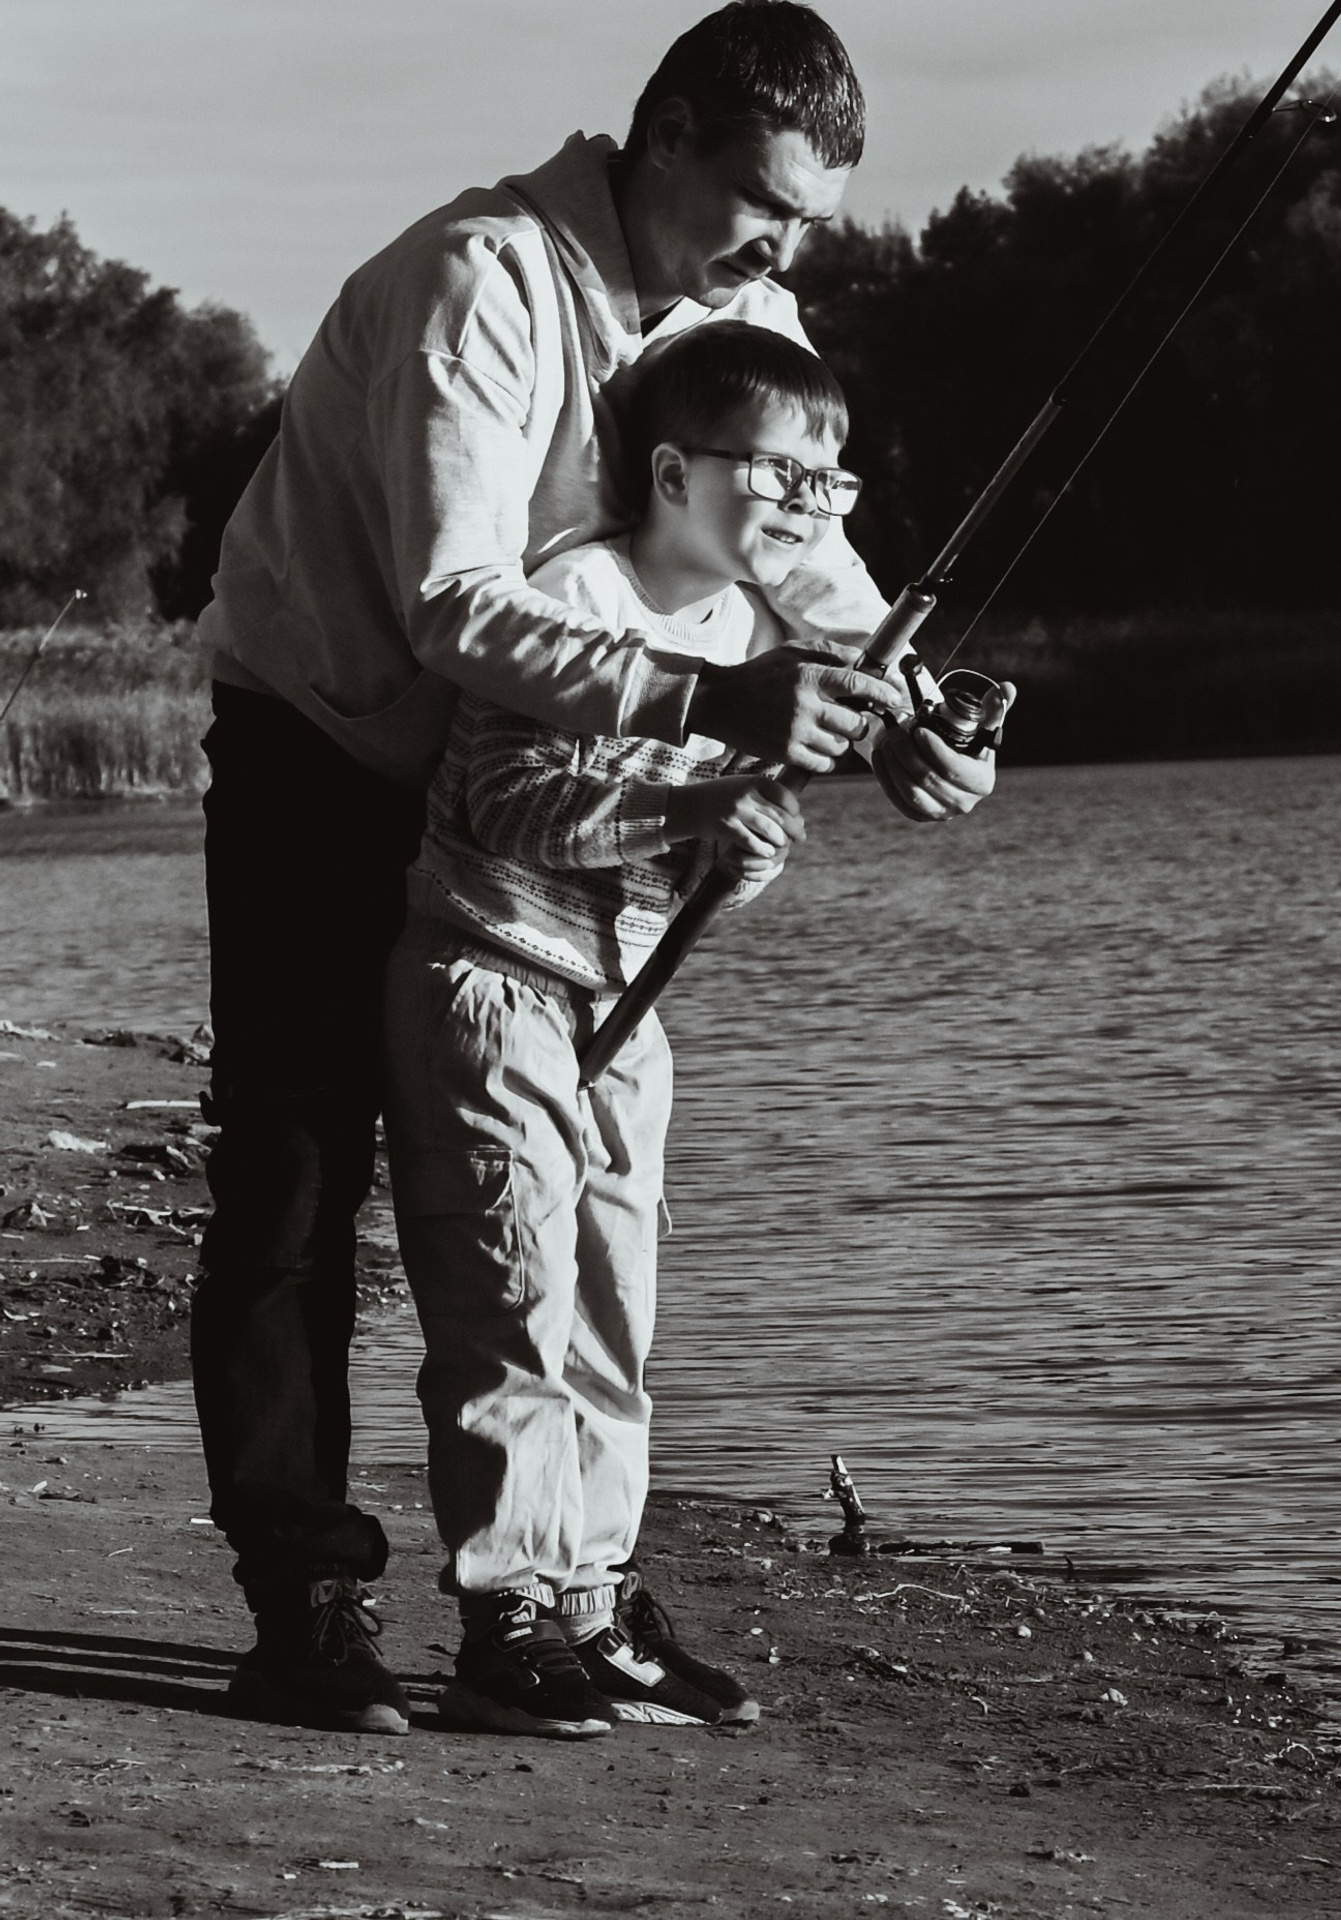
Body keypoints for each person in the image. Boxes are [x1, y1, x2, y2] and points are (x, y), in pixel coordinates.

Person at [193, 0, 1002, 1736]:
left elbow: (803, 550)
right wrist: (724, 692)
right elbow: (456, 608)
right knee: (293, 1173)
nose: (782, 257)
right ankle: (306, 1602)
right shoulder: (483, 282)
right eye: (762, 207)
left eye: (806, 231)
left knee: (583, 1243)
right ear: (669, 133)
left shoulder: (745, 308)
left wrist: (906, 713)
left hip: (543, 816)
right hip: (330, 739)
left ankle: (579, 1591)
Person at [384, 321, 914, 1738]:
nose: (811, 509)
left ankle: (592, 1602)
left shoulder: (754, 638)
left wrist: (737, 852)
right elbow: (512, 806)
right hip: (494, 982)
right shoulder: (577, 591)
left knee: (617, 1311)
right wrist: (692, 808)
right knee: (513, 1303)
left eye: (831, 485)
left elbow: (686, 862)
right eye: (785, 478)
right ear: (674, 471)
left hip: (629, 1009)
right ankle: (502, 1617)